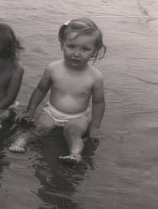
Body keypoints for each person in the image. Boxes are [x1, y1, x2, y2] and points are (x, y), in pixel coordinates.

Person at [9, 18, 106, 164]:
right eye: (71, 46)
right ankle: (20, 142)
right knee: (40, 129)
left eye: (85, 49)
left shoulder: (95, 76)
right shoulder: (53, 68)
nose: (76, 53)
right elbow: (40, 89)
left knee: (73, 133)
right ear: (62, 44)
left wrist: (94, 126)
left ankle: (75, 154)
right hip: (51, 112)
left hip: (78, 116)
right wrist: (31, 110)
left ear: (94, 51)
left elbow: (98, 103)